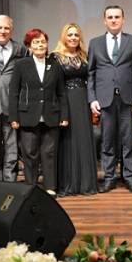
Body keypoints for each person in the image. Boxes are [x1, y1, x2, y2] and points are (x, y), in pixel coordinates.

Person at [87, 5, 132, 193]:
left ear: (123, 20)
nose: (113, 20)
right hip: (104, 99)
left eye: (117, 17)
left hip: (128, 99)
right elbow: (91, 73)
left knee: (128, 141)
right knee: (107, 141)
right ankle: (110, 177)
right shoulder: (95, 43)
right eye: (110, 17)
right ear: (104, 20)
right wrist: (92, 98)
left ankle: (129, 177)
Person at [9, 29, 69, 196]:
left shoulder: (55, 65)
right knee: (30, 154)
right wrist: (13, 117)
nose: (40, 45)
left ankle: (50, 187)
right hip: (27, 116)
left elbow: (61, 92)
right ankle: (31, 188)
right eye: (36, 42)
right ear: (29, 46)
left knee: (49, 153)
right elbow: (14, 92)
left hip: (52, 116)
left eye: (43, 41)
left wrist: (64, 115)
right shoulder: (21, 65)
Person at [51, 23, 98, 196]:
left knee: (84, 140)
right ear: (64, 36)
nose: (73, 38)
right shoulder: (55, 57)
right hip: (66, 101)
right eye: (70, 35)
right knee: (67, 141)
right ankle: (69, 183)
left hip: (83, 101)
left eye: (76, 35)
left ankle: (86, 183)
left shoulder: (84, 55)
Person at [0, 15, 29, 182]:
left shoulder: (20, 49)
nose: (3, 31)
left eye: (6, 28)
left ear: (12, 30)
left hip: (12, 107)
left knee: (12, 148)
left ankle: (10, 181)